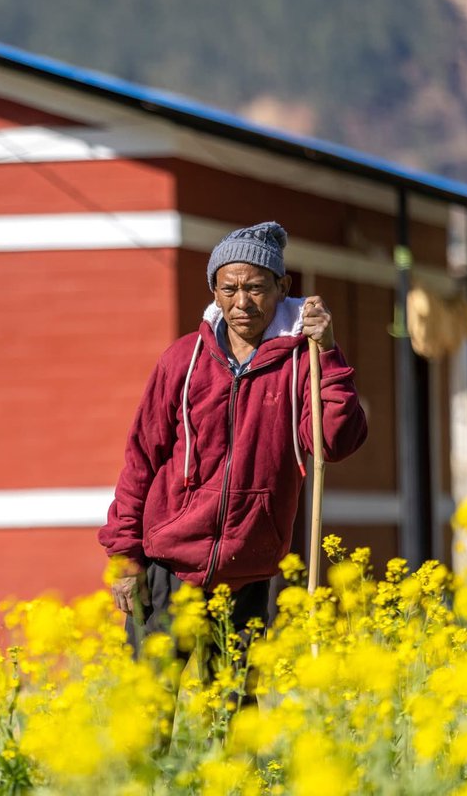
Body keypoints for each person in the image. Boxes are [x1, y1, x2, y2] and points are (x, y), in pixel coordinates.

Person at [98, 220, 368, 659]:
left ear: (282, 287)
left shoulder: (304, 363)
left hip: (247, 575)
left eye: (256, 288)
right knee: (149, 714)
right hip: (167, 569)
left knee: (233, 716)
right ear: (215, 292)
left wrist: (330, 354)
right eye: (229, 289)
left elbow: (333, 443)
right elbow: (140, 463)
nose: (242, 302)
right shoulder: (182, 361)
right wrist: (125, 558)